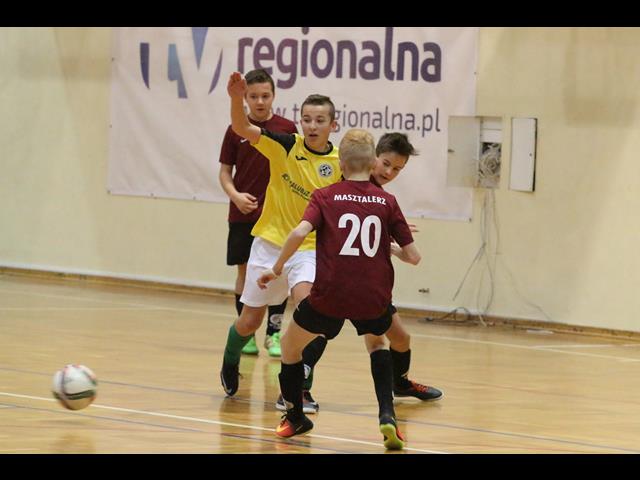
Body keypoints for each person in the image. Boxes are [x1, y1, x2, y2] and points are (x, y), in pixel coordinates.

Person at [258, 129, 421, 450]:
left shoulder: (325, 195)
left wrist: (276, 268)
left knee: (289, 347)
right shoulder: (387, 202)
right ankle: (388, 416)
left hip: (330, 294)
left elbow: (298, 233)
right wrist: (389, 246)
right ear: (372, 162)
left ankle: (295, 416)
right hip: (373, 296)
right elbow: (414, 257)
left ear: (341, 164)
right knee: (378, 343)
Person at [284, 133, 443, 413]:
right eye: (386, 164)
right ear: (372, 158)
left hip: (367, 281)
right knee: (322, 334)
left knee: (401, 338)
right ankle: (301, 389)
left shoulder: (381, 199)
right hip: (339, 273)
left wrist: (388, 240)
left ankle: (400, 383)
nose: (389, 172)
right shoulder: (346, 186)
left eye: (397, 169)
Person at [219, 71, 342, 412]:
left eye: (320, 120)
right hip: (271, 243)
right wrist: (236, 98)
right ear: (300, 122)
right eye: (307, 119)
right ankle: (230, 359)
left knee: (311, 314)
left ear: (333, 125)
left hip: (309, 250)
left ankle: (300, 386)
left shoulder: (340, 163)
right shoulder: (285, 146)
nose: (312, 126)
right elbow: (242, 128)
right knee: (249, 322)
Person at [218, 68, 297, 357]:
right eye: (253, 96)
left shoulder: (287, 128)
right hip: (244, 214)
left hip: (278, 218)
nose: (260, 101)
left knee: (279, 273)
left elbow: (297, 171)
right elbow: (225, 172)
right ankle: (247, 333)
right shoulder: (235, 129)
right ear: (245, 98)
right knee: (245, 271)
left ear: (274, 96)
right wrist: (236, 196)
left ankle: (273, 334)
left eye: (265, 95)